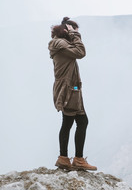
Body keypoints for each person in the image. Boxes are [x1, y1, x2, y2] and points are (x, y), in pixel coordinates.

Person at [48, 17, 97, 171]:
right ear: (66, 32)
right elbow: (81, 52)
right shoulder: (60, 45)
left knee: (74, 122)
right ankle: (73, 159)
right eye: (73, 31)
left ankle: (68, 158)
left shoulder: (61, 44)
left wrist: (69, 27)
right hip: (68, 90)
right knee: (76, 122)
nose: (76, 34)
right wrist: (75, 35)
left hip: (72, 89)